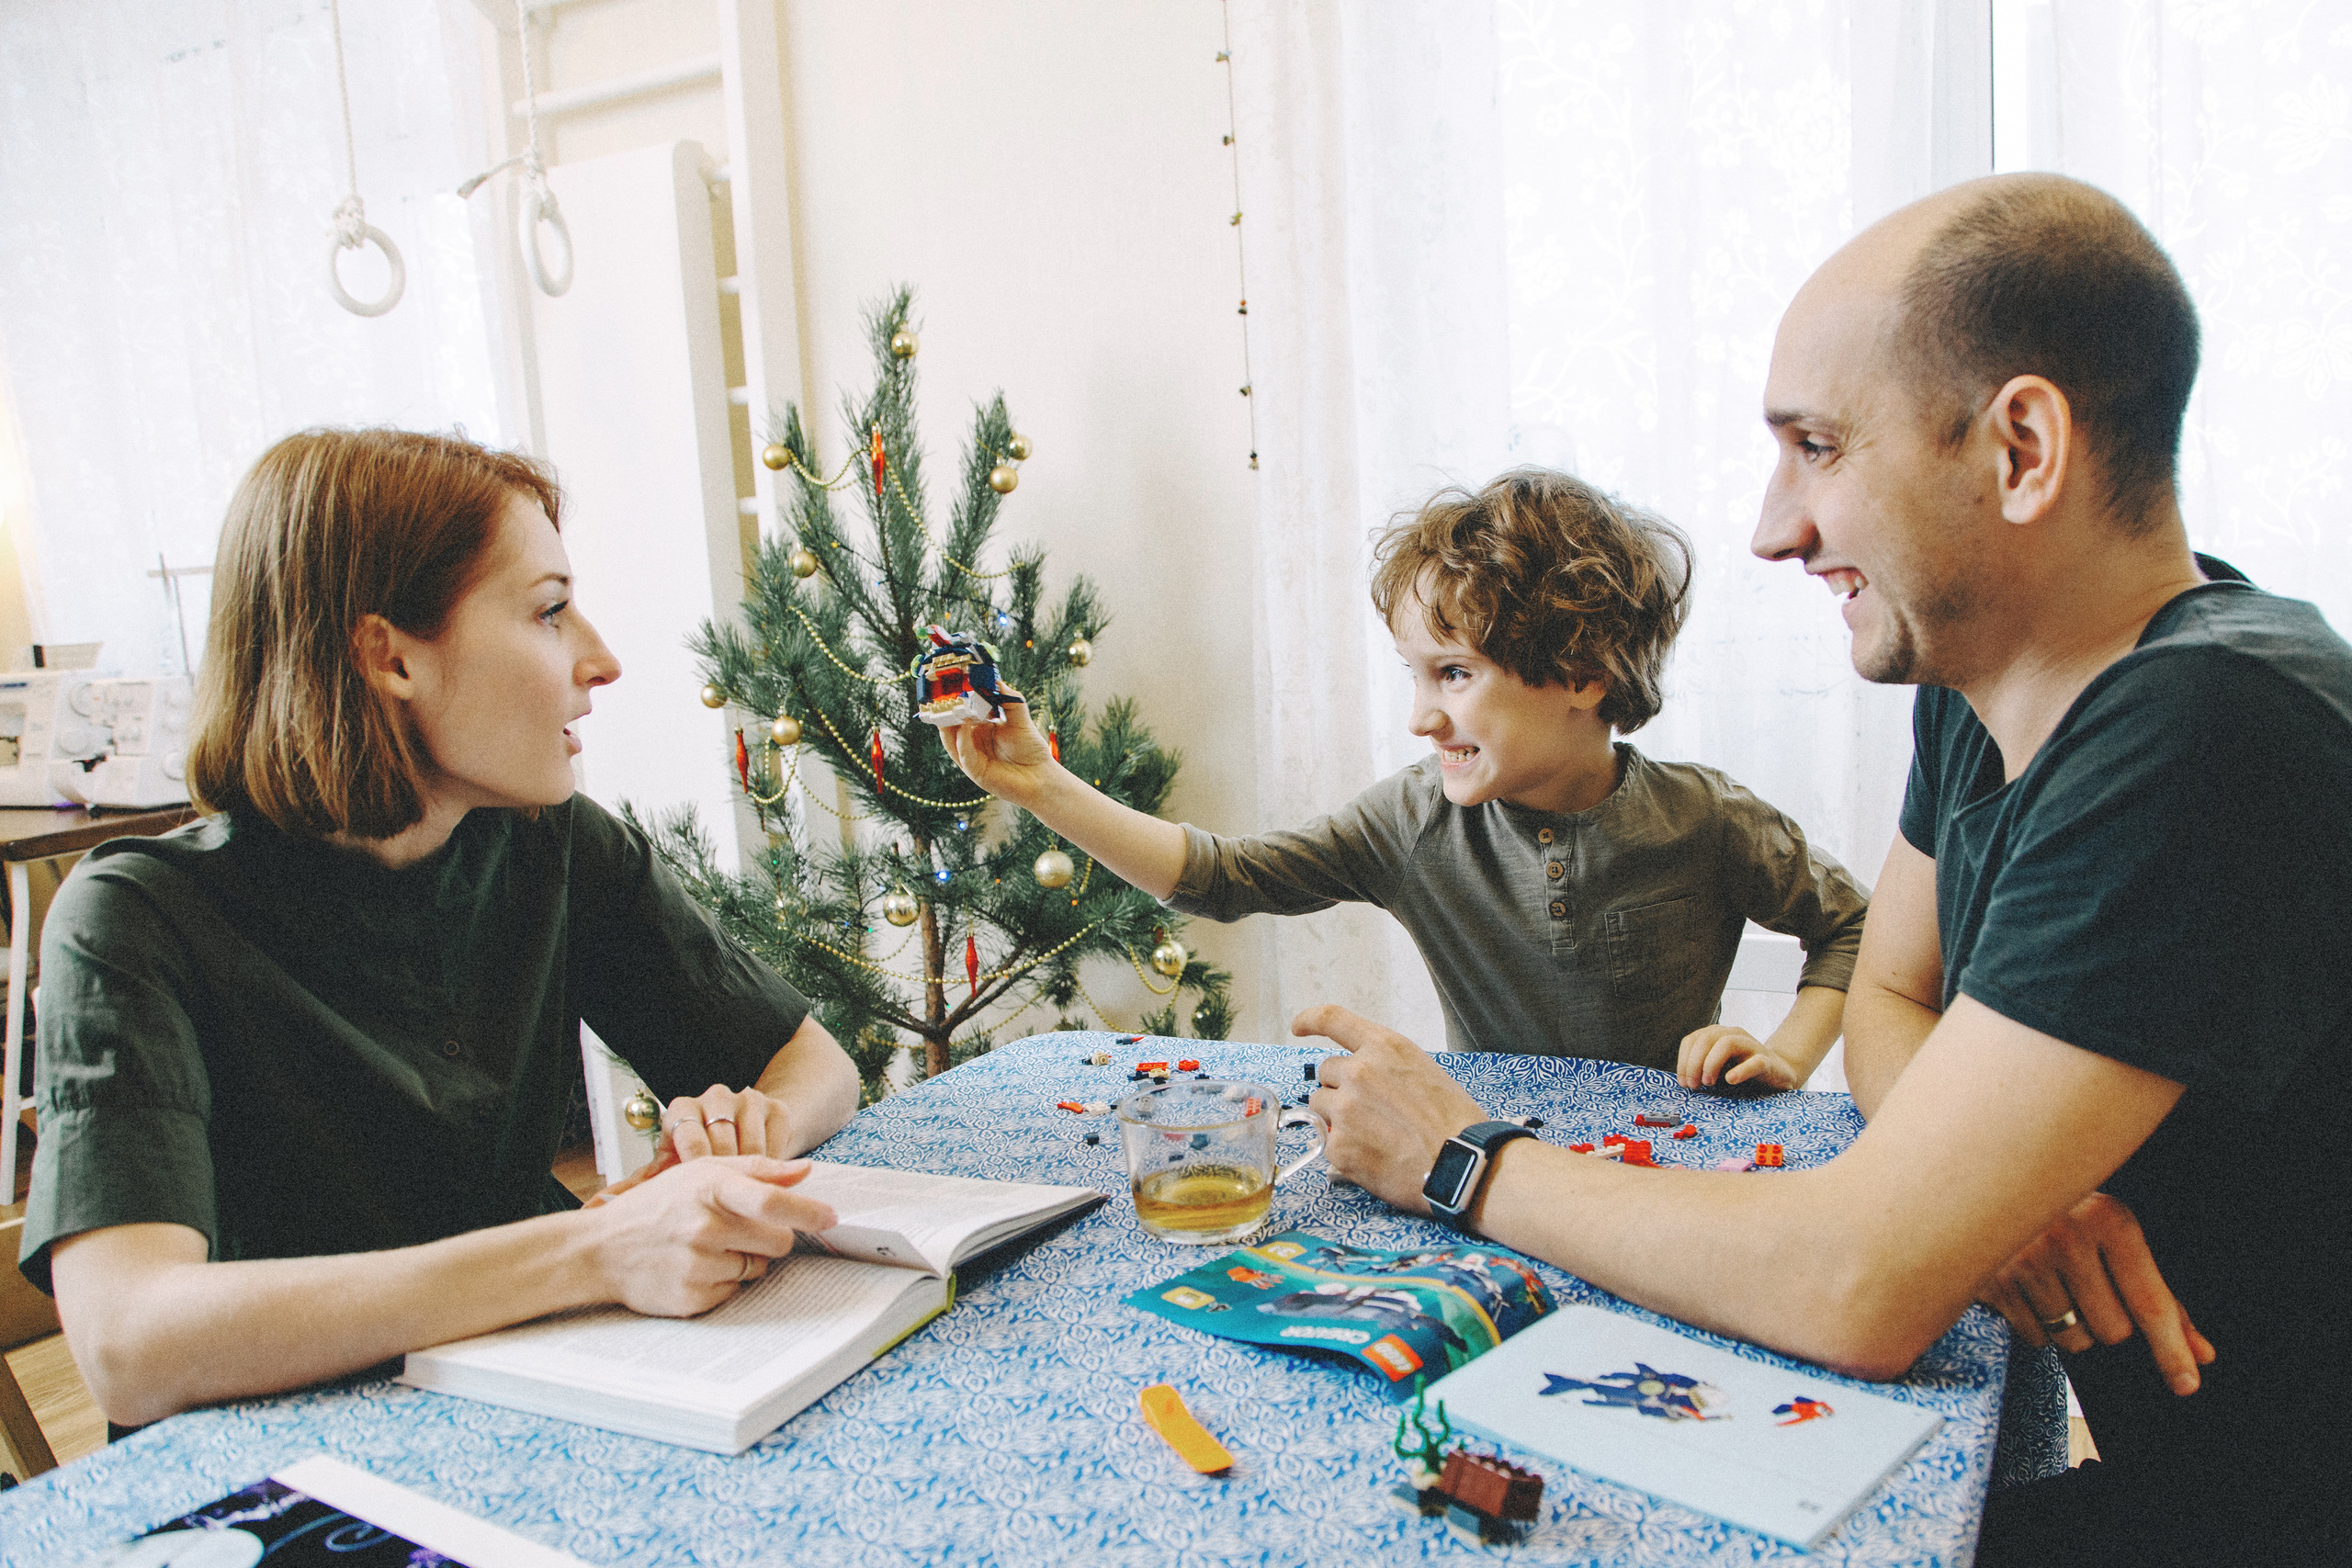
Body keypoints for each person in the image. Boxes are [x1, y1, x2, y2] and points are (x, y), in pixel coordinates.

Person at [1297, 173, 2349, 1562]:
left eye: (1817, 447)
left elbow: (1858, 1283)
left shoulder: (2206, 726)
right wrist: (1979, 1191)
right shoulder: (1992, 682)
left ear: (2022, 448)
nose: (1773, 526)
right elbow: (1890, 994)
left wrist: (1458, 1157)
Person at [17, 428, 864, 1430]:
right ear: (390, 658)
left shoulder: (551, 842)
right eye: (548, 611)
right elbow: (129, 1344)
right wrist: (595, 1251)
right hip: (296, 1453)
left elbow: (817, 1067)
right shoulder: (133, 918)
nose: (601, 660)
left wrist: (749, 1136)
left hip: (543, 1390)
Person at [943, 470, 1869, 1089]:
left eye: (1454, 674)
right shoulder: (1411, 821)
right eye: (1414, 677)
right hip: (1491, 1170)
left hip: (1670, 1171)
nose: (1422, 718)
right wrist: (1039, 784)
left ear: (1584, 674)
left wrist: (1786, 1057)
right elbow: (1223, 877)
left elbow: (1856, 927)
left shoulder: (1705, 818)